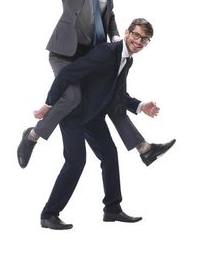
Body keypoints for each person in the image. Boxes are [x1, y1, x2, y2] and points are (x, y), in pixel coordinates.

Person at [17, 0, 174, 168]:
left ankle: (144, 149)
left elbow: (108, 16)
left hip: (91, 54)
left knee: (111, 94)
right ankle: (32, 137)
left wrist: (114, 38)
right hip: (64, 52)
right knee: (72, 96)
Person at [36, 18, 158, 230]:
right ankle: (49, 214)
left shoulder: (127, 60)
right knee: (76, 162)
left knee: (110, 156)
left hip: (93, 116)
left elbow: (117, 93)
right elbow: (67, 73)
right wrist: (49, 104)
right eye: (136, 35)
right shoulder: (106, 52)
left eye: (144, 40)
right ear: (127, 32)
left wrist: (140, 106)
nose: (138, 42)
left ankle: (112, 209)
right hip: (74, 114)